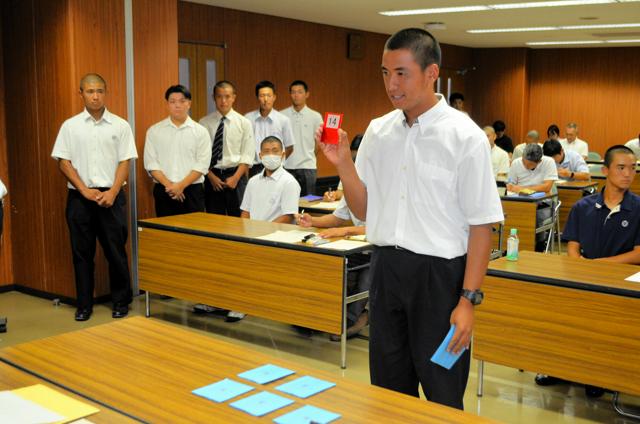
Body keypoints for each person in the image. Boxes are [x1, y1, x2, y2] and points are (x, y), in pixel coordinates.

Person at [316, 28, 503, 410]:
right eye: (385, 73)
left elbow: (482, 225)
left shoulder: (464, 137)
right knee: (387, 389)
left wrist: (468, 300)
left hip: (441, 279)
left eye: (402, 73)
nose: (392, 84)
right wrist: (345, 165)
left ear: (432, 73)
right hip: (386, 269)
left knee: (442, 392)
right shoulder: (379, 130)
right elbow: (365, 210)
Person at [535, 145, 640, 398]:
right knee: (565, 318)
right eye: (621, 168)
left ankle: (596, 375)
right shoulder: (584, 206)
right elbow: (571, 246)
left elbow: (638, 253)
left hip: (620, 282)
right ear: (605, 170)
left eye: (633, 169)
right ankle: (559, 368)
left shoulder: (638, 207)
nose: (628, 174)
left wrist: (599, 267)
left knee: (605, 328)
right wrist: (581, 267)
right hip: (581, 276)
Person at [51, 73, 137, 322]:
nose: (95, 95)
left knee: (116, 251)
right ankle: (84, 305)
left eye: (99, 90)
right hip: (80, 198)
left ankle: (121, 302)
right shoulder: (70, 126)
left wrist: (112, 191)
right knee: (82, 254)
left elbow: (125, 161)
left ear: (106, 92)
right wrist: (84, 190)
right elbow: (63, 162)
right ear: (81, 94)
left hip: (111, 196)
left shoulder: (120, 125)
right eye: (90, 91)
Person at [298, 193, 369, 341]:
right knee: (332, 270)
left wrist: (346, 230)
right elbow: (337, 218)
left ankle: (351, 320)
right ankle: (322, 317)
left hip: (382, 250)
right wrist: (313, 221)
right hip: (356, 245)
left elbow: (382, 228)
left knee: (365, 281)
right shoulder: (353, 188)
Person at [144, 85, 211, 217]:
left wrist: (181, 185)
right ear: (167, 104)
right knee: (166, 234)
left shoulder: (200, 131)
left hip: (192, 191)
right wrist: (171, 186)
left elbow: (202, 164)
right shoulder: (154, 131)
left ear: (189, 104)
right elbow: (151, 164)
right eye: (172, 101)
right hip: (164, 190)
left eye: (182, 101)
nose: (177, 105)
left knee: (193, 234)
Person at [199, 80, 254, 216]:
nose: (223, 101)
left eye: (227, 96)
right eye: (219, 96)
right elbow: (199, 155)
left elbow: (247, 155)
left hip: (236, 176)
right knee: (213, 220)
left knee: (239, 220)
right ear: (214, 98)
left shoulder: (244, 123)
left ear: (234, 97)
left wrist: (235, 178)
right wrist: (211, 177)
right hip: (212, 176)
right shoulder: (203, 123)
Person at [282, 80, 324, 196]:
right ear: (290, 94)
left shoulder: (315, 116)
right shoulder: (282, 115)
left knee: (307, 204)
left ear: (307, 94)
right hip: (286, 167)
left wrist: (309, 155)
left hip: (308, 167)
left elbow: (319, 142)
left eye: (300, 92)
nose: (296, 95)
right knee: (287, 204)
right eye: (293, 92)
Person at [245, 81, 295, 177]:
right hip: (255, 167)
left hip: (277, 167)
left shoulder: (283, 120)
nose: (265, 99)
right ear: (257, 98)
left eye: (269, 95)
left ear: (274, 97)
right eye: (262, 96)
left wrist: (278, 162)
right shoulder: (248, 119)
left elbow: (289, 147)